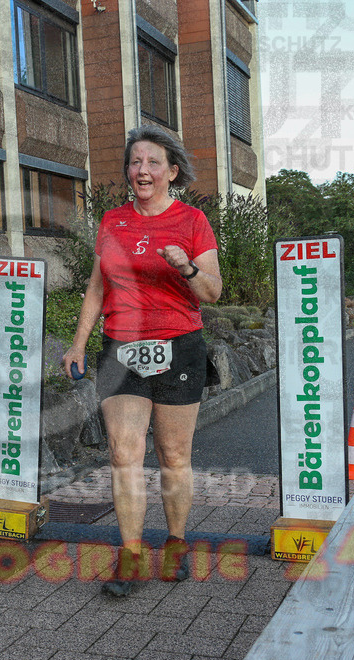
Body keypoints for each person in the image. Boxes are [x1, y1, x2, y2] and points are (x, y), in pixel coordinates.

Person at [62, 125, 222, 597]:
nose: (142, 170)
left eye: (153, 162)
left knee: (173, 455)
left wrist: (186, 267)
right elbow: (97, 287)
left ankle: (175, 543)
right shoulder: (113, 221)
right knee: (123, 452)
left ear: (173, 172)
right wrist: (77, 343)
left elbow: (213, 291)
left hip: (179, 345)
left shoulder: (192, 222)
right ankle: (131, 554)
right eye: (135, 162)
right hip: (120, 349)